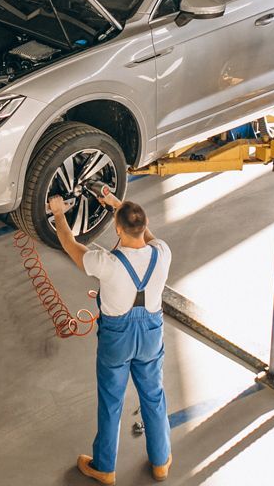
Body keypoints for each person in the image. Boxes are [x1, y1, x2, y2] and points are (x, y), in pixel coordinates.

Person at [48, 188, 172, 484]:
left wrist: (58, 213)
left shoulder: (107, 263)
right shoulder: (162, 253)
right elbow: (148, 236)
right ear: (144, 224)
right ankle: (160, 462)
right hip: (151, 334)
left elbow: (69, 243)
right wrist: (119, 206)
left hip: (117, 338)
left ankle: (104, 467)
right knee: (153, 396)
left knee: (111, 401)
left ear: (117, 229)